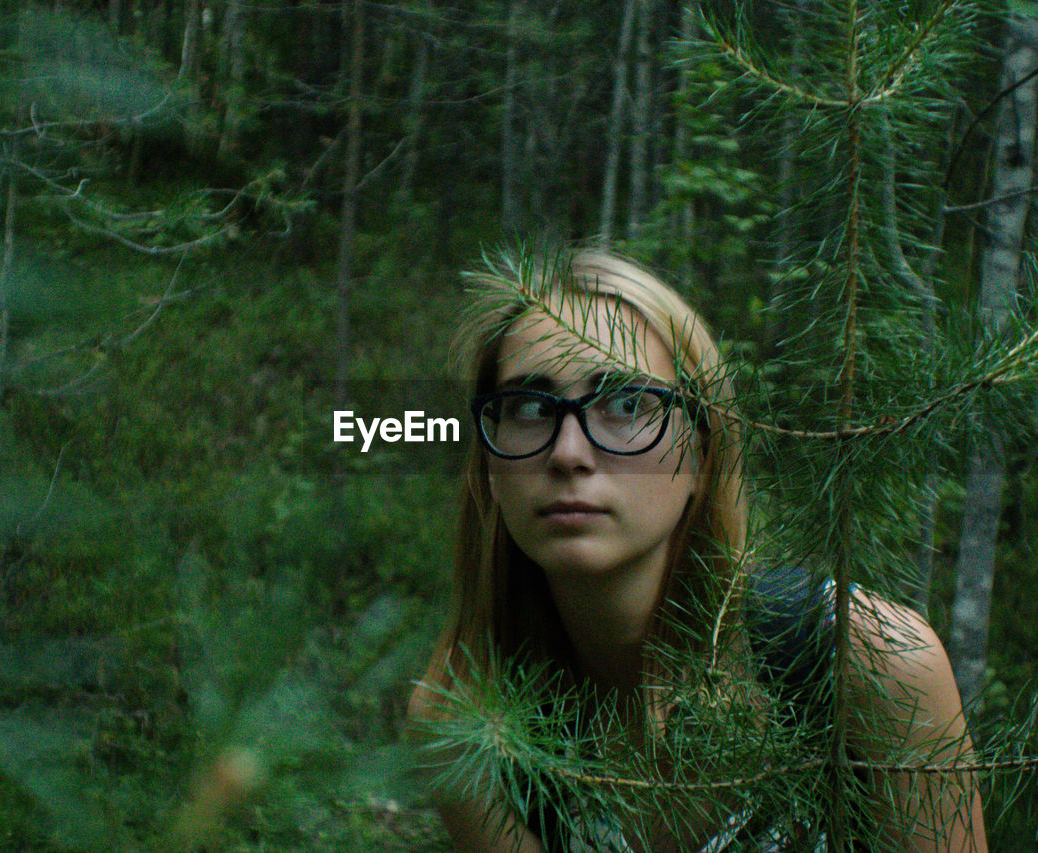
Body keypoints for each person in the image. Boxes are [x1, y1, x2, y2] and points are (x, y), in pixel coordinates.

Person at [408, 247, 987, 852]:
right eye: (529, 407)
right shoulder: (467, 725)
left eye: (626, 403)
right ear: (490, 465)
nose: (568, 452)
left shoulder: (868, 662)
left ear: (702, 457)